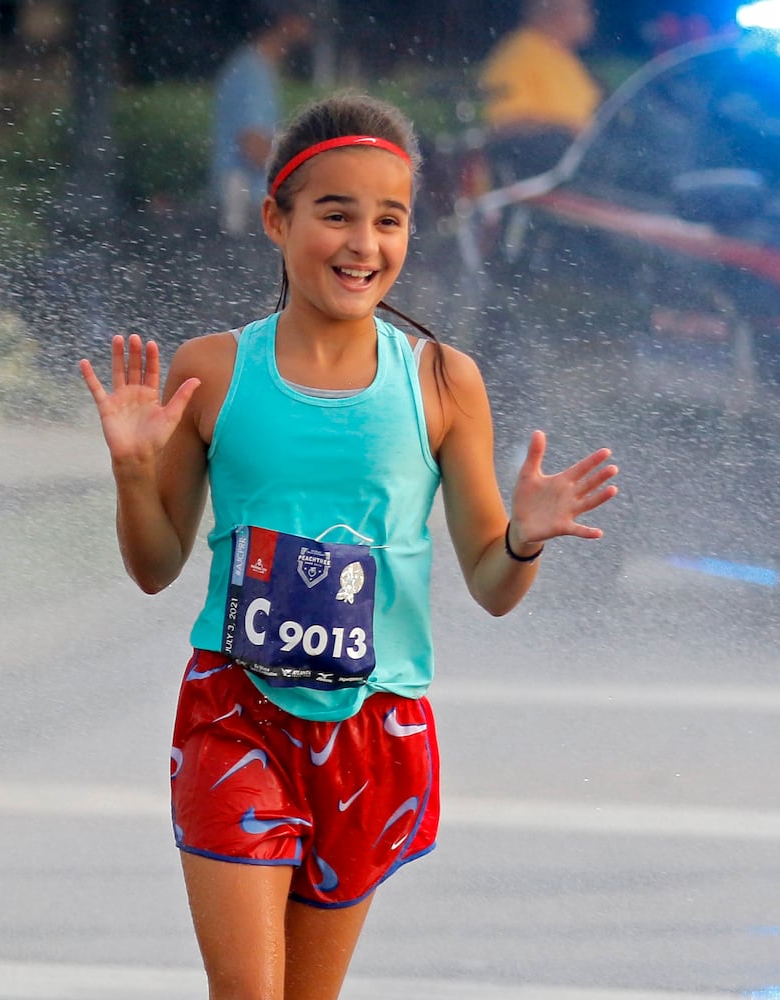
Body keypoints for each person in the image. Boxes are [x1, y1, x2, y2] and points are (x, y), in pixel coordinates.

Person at [78, 92, 618, 999]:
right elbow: (153, 566)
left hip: (375, 728)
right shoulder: (209, 371)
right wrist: (134, 472)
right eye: (335, 215)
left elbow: (490, 583)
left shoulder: (444, 382)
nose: (363, 243)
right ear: (275, 220)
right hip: (233, 711)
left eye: (389, 219)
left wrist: (521, 538)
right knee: (249, 990)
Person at [211, 0, 314, 237]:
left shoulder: (254, 67)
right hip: (247, 207)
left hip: (251, 204)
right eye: (304, 17)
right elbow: (254, 146)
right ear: (285, 21)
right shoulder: (252, 73)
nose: (309, 28)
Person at [479, 0, 602, 182]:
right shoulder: (519, 56)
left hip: (584, 169)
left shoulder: (561, 55)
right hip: (549, 180)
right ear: (559, 14)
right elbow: (504, 126)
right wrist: (569, 132)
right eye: (584, 12)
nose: (591, 19)